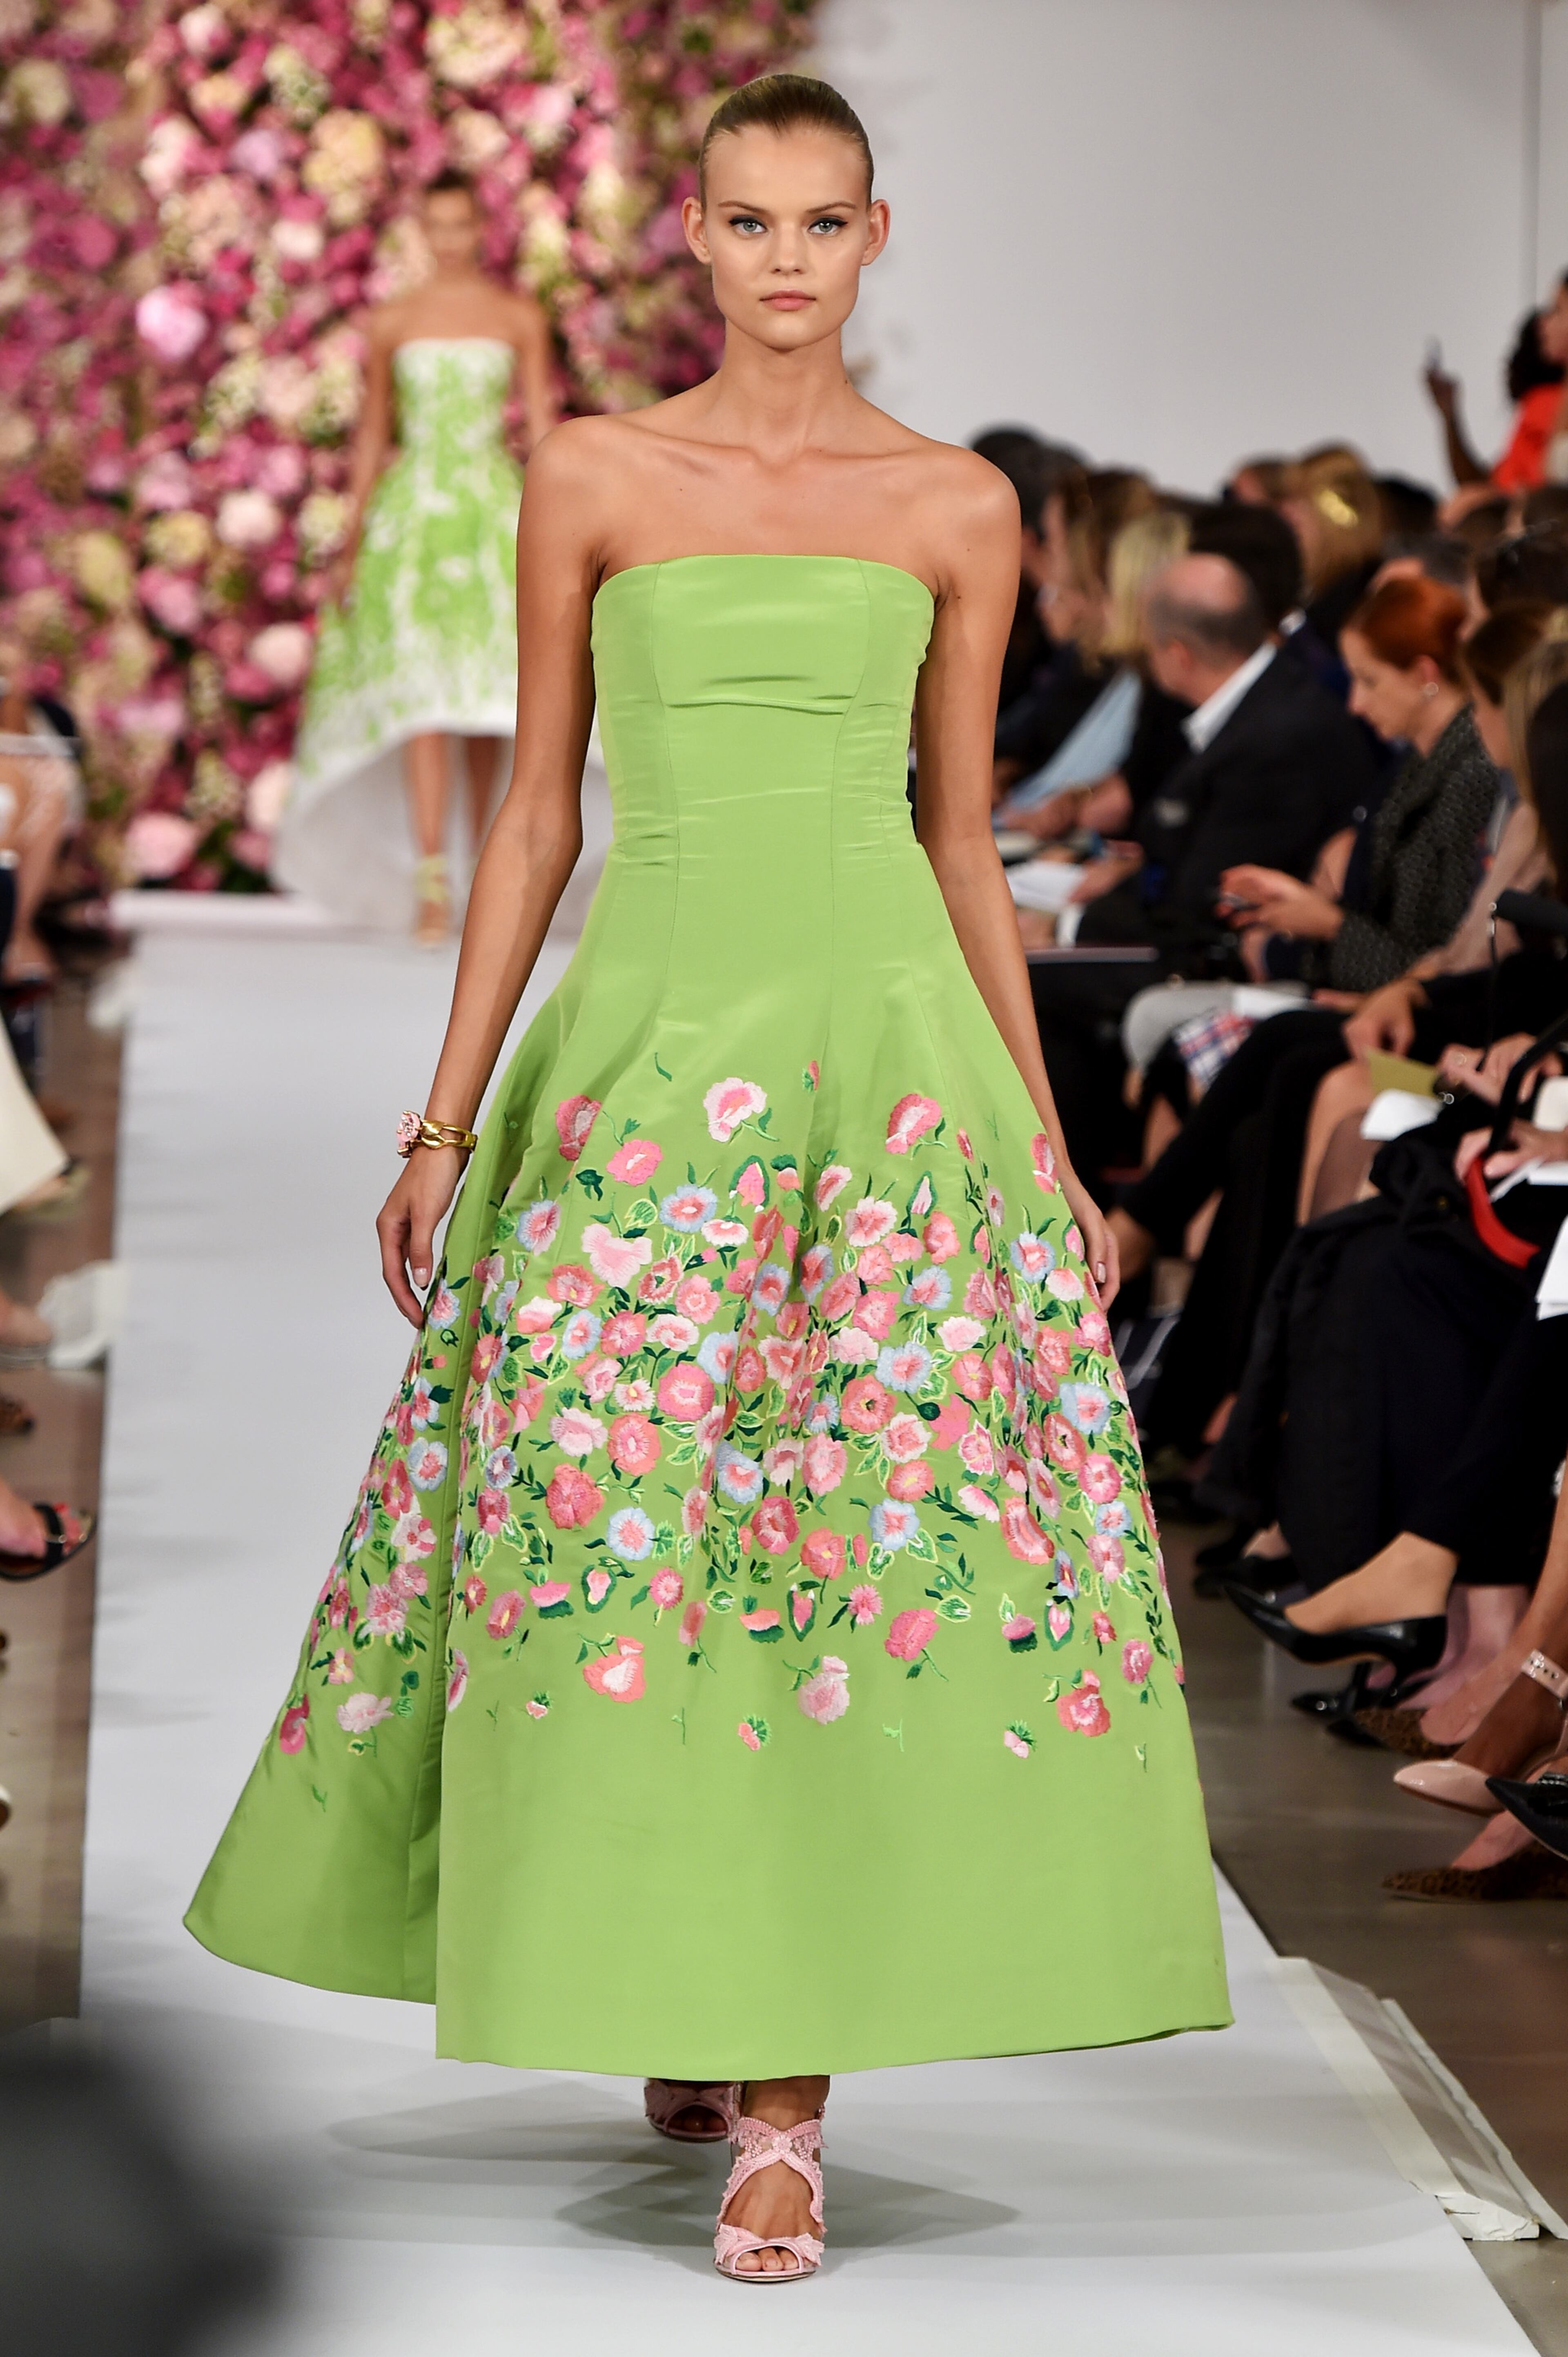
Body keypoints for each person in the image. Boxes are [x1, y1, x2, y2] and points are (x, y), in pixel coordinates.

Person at [186, 75, 1229, 2285]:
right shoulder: (593, 470)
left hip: (884, 1073)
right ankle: (690, 1956)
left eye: (821, 221)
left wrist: (1041, 1136)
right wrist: (447, 1114)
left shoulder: (954, 504)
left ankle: (785, 2103)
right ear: (696, 236)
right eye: (747, 219)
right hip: (643, 1061)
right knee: (615, 1512)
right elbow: (538, 816)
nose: (783, 257)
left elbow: (961, 837)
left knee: (841, 1536)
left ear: (874, 236)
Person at [275, 172, 557, 943]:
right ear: (420, 229)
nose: (449, 239)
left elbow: (540, 430)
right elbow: (373, 434)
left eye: (460, 223)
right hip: (415, 524)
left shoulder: (517, 316)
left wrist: (564, 527)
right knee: (427, 701)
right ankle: (435, 883)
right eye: (435, 224)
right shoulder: (394, 320)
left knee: (488, 709)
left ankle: (480, 874)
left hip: (492, 516)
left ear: (481, 226)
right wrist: (352, 536)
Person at [1073, 553, 1376, 958]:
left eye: (1150, 646)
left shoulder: (1274, 740)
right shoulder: (1272, 698)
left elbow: (1200, 905)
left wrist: (1069, 924)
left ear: (1179, 655)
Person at [1424, 281, 1568, 497]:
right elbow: (1488, 485)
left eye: (1557, 310)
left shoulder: (1544, 403)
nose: (1543, 324)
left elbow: (1516, 496)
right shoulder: (1544, 403)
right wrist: (1449, 415)